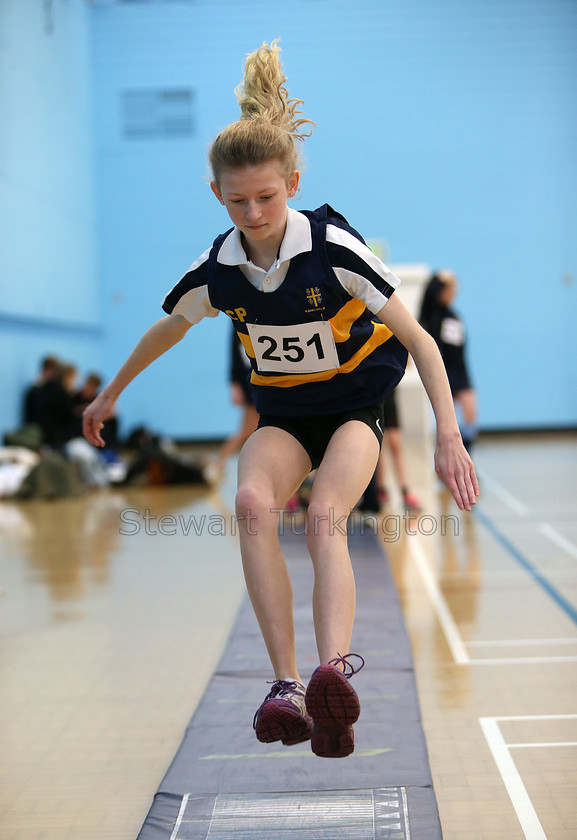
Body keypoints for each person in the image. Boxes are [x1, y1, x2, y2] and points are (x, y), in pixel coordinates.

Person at [83, 40, 478, 759]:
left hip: (353, 411)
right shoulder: (219, 267)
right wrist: (111, 392)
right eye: (238, 200)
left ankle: (333, 674)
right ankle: (288, 686)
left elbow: (419, 340)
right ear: (217, 196)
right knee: (251, 506)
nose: (254, 210)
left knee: (326, 515)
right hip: (284, 418)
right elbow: (168, 325)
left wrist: (447, 435)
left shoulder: (335, 249)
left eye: (267, 196)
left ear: (291, 182)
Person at [419, 270, 478, 452]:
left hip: (460, 372)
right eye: (450, 290)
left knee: (470, 416)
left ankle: (467, 457)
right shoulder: (431, 318)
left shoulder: (455, 316)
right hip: (443, 373)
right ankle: (447, 461)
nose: (453, 294)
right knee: (446, 421)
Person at [203, 324, 259, 485]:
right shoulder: (238, 320)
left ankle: (218, 463)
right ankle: (217, 464)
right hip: (252, 382)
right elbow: (234, 353)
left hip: (267, 380)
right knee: (245, 431)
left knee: (251, 431)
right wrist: (235, 383)